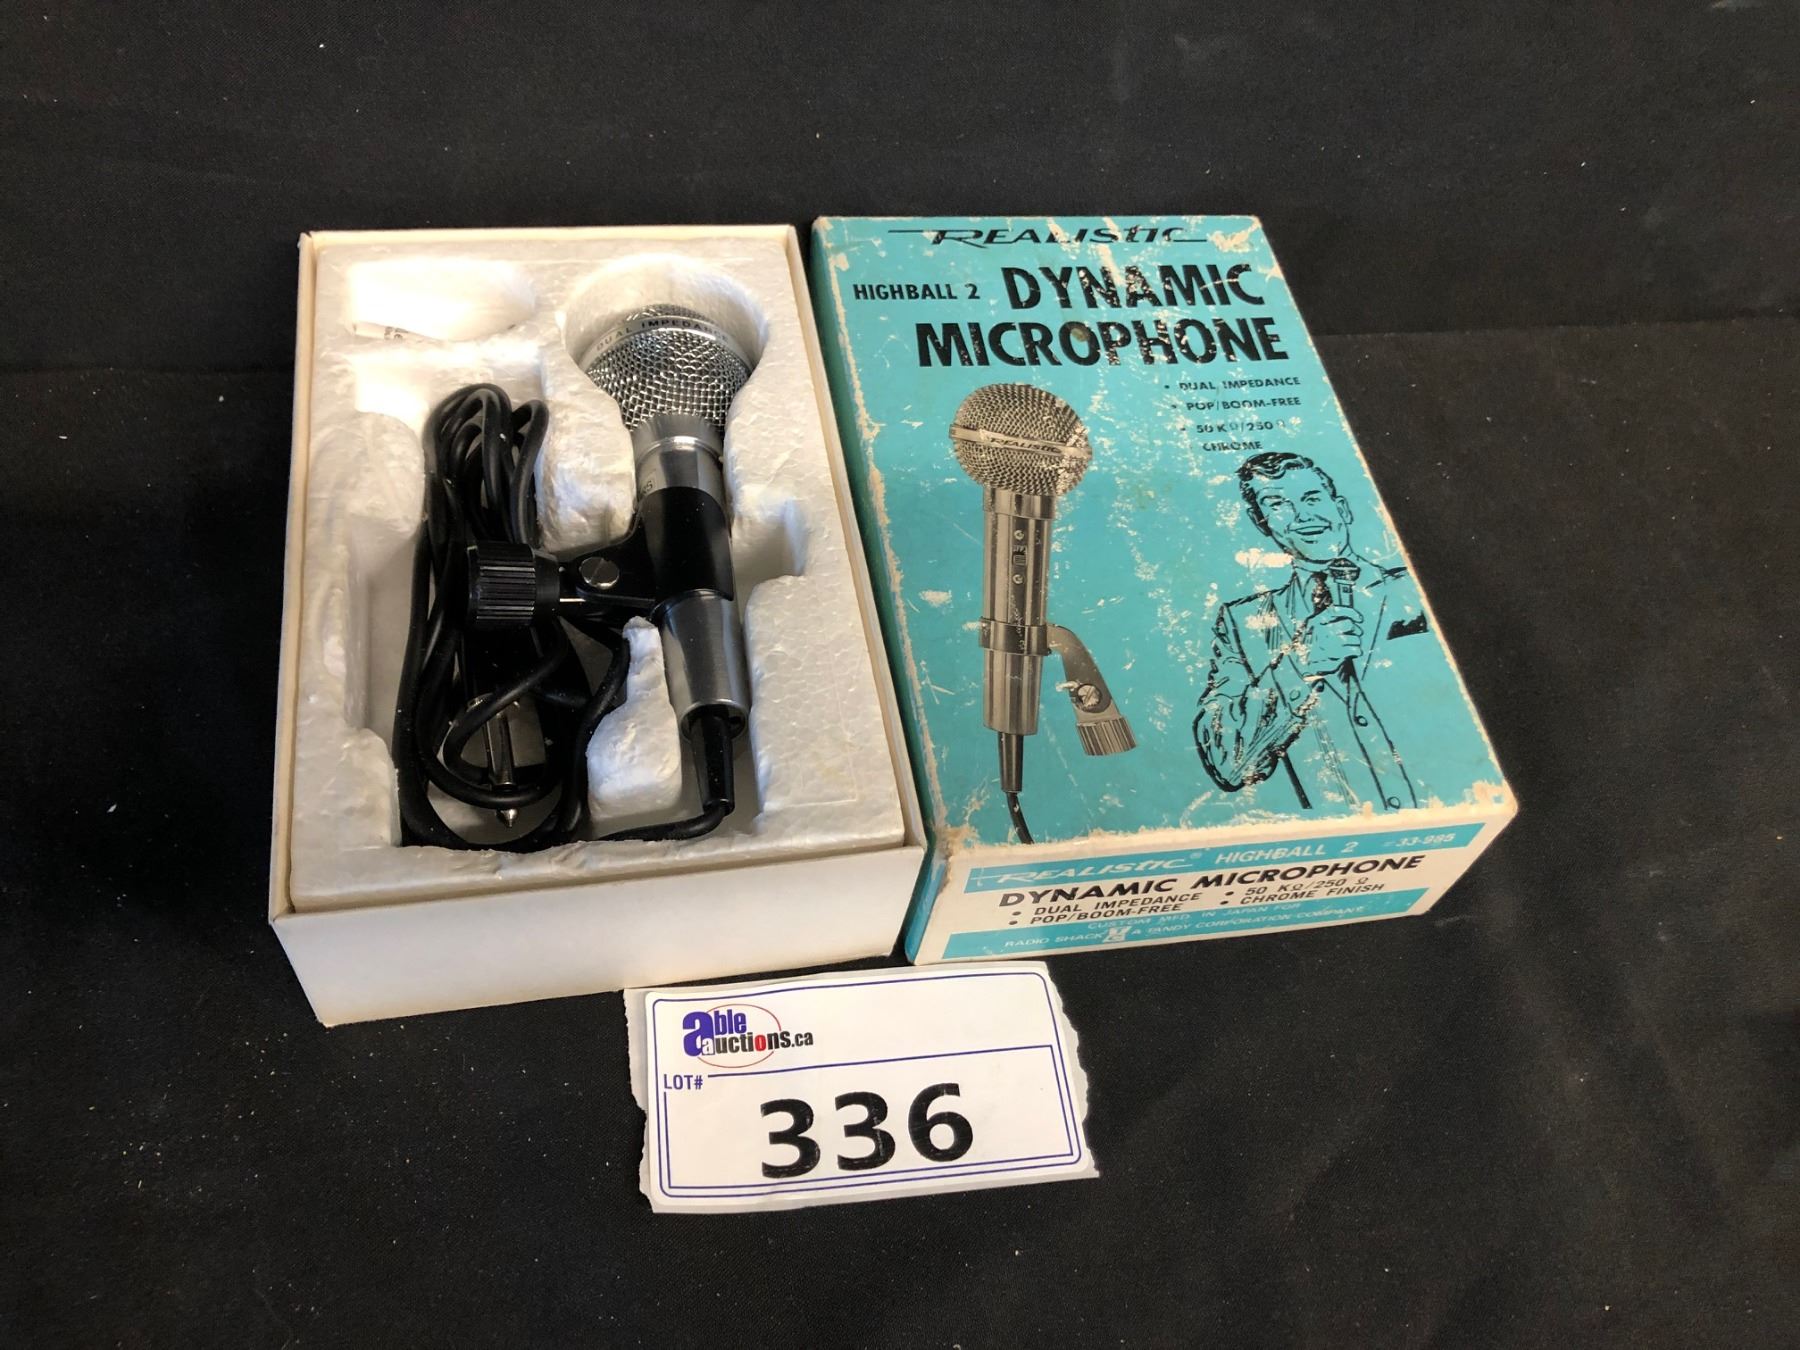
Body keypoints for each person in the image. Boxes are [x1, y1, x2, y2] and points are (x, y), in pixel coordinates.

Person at [1194, 451, 1430, 813]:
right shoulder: (1243, 620)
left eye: (1312, 498)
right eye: (1278, 504)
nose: (1303, 516)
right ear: (1261, 522)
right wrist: (1299, 664)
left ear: (1342, 508)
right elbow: (1227, 762)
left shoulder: (1414, 588)